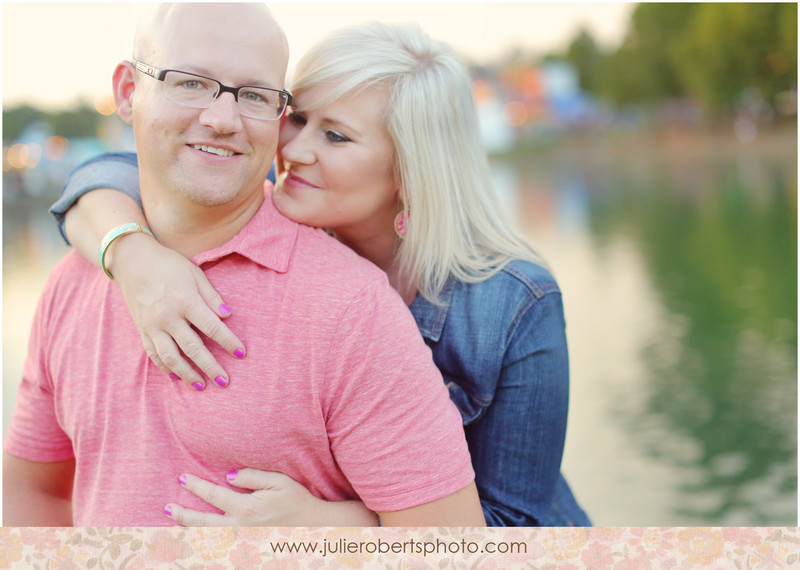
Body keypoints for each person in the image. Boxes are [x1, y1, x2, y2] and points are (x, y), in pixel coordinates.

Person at [50, 20, 590, 527]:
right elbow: (109, 175)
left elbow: (515, 532)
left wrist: (324, 524)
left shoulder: (515, 305)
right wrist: (134, 257)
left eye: (336, 137)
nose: (293, 151)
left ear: (409, 169)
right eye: (300, 118)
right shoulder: (281, 221)